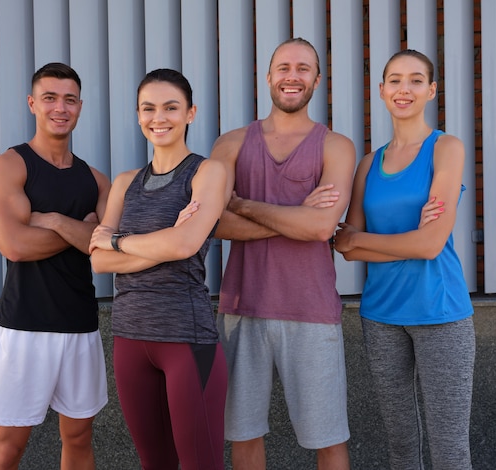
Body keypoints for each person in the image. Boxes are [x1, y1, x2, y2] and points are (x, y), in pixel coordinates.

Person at [210, 38, 356, 470]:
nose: (293, 76)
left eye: (303, 68)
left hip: (310, 310)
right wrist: (293, 216)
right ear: (269, 76)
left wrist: (242, 204)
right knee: (243, 435)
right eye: (284, 67)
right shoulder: (232, 143)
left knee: (328, 438)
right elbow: (213, 223)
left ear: (317, 80)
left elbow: (320, 227)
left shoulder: (336, 146)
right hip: (241, 307)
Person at [333, 49, 475, 469]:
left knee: (449, 449)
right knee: (400, 446)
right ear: (381, 90)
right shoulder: (366, 164)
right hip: (380, 316)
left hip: (441, 312)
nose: (404, 88)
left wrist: (366, 240)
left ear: (431, 91)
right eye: (395, 79)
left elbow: (431, 246)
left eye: (416, 80)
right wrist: (406, 237)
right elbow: (344, 246)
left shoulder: (446, 148)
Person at [89, 68, 228, 470]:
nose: (159, 117)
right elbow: (98, 261)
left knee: (201, 464)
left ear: (190, 113)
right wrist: (166, 244)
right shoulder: (125, 182)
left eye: (171, 107)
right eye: (148, 108)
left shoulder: (207, 172)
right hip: (129, 338)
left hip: (186, 338)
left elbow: (185, 244)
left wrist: (118, 242)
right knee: (155, 464)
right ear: (137, 115)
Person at [0, 62, 111, 470]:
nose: (60, 107)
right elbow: (15, 246)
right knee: (9, 447)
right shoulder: (10, 165)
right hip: (24, 326)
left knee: (79, 438)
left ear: (80, 107)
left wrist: (51, 219)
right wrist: (79, 232)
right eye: (50, 98)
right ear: (33, 103)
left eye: (69, 99)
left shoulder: (96, 180)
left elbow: (106, 252)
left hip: (80, 324)